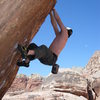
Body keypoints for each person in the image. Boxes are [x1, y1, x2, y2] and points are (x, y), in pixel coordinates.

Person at [17, 8, 73, 74]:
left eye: (64, 28)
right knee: (33, 46)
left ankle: (26, 52)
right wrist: (50, 14)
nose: (62, 29)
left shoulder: (65, 34)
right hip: (46, 57)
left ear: (67, 31)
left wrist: (54, 10)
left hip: (51, 58)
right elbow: (54, 24)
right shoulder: (59, 36)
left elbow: (58, 20)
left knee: (43, 48)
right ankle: (26, 62)